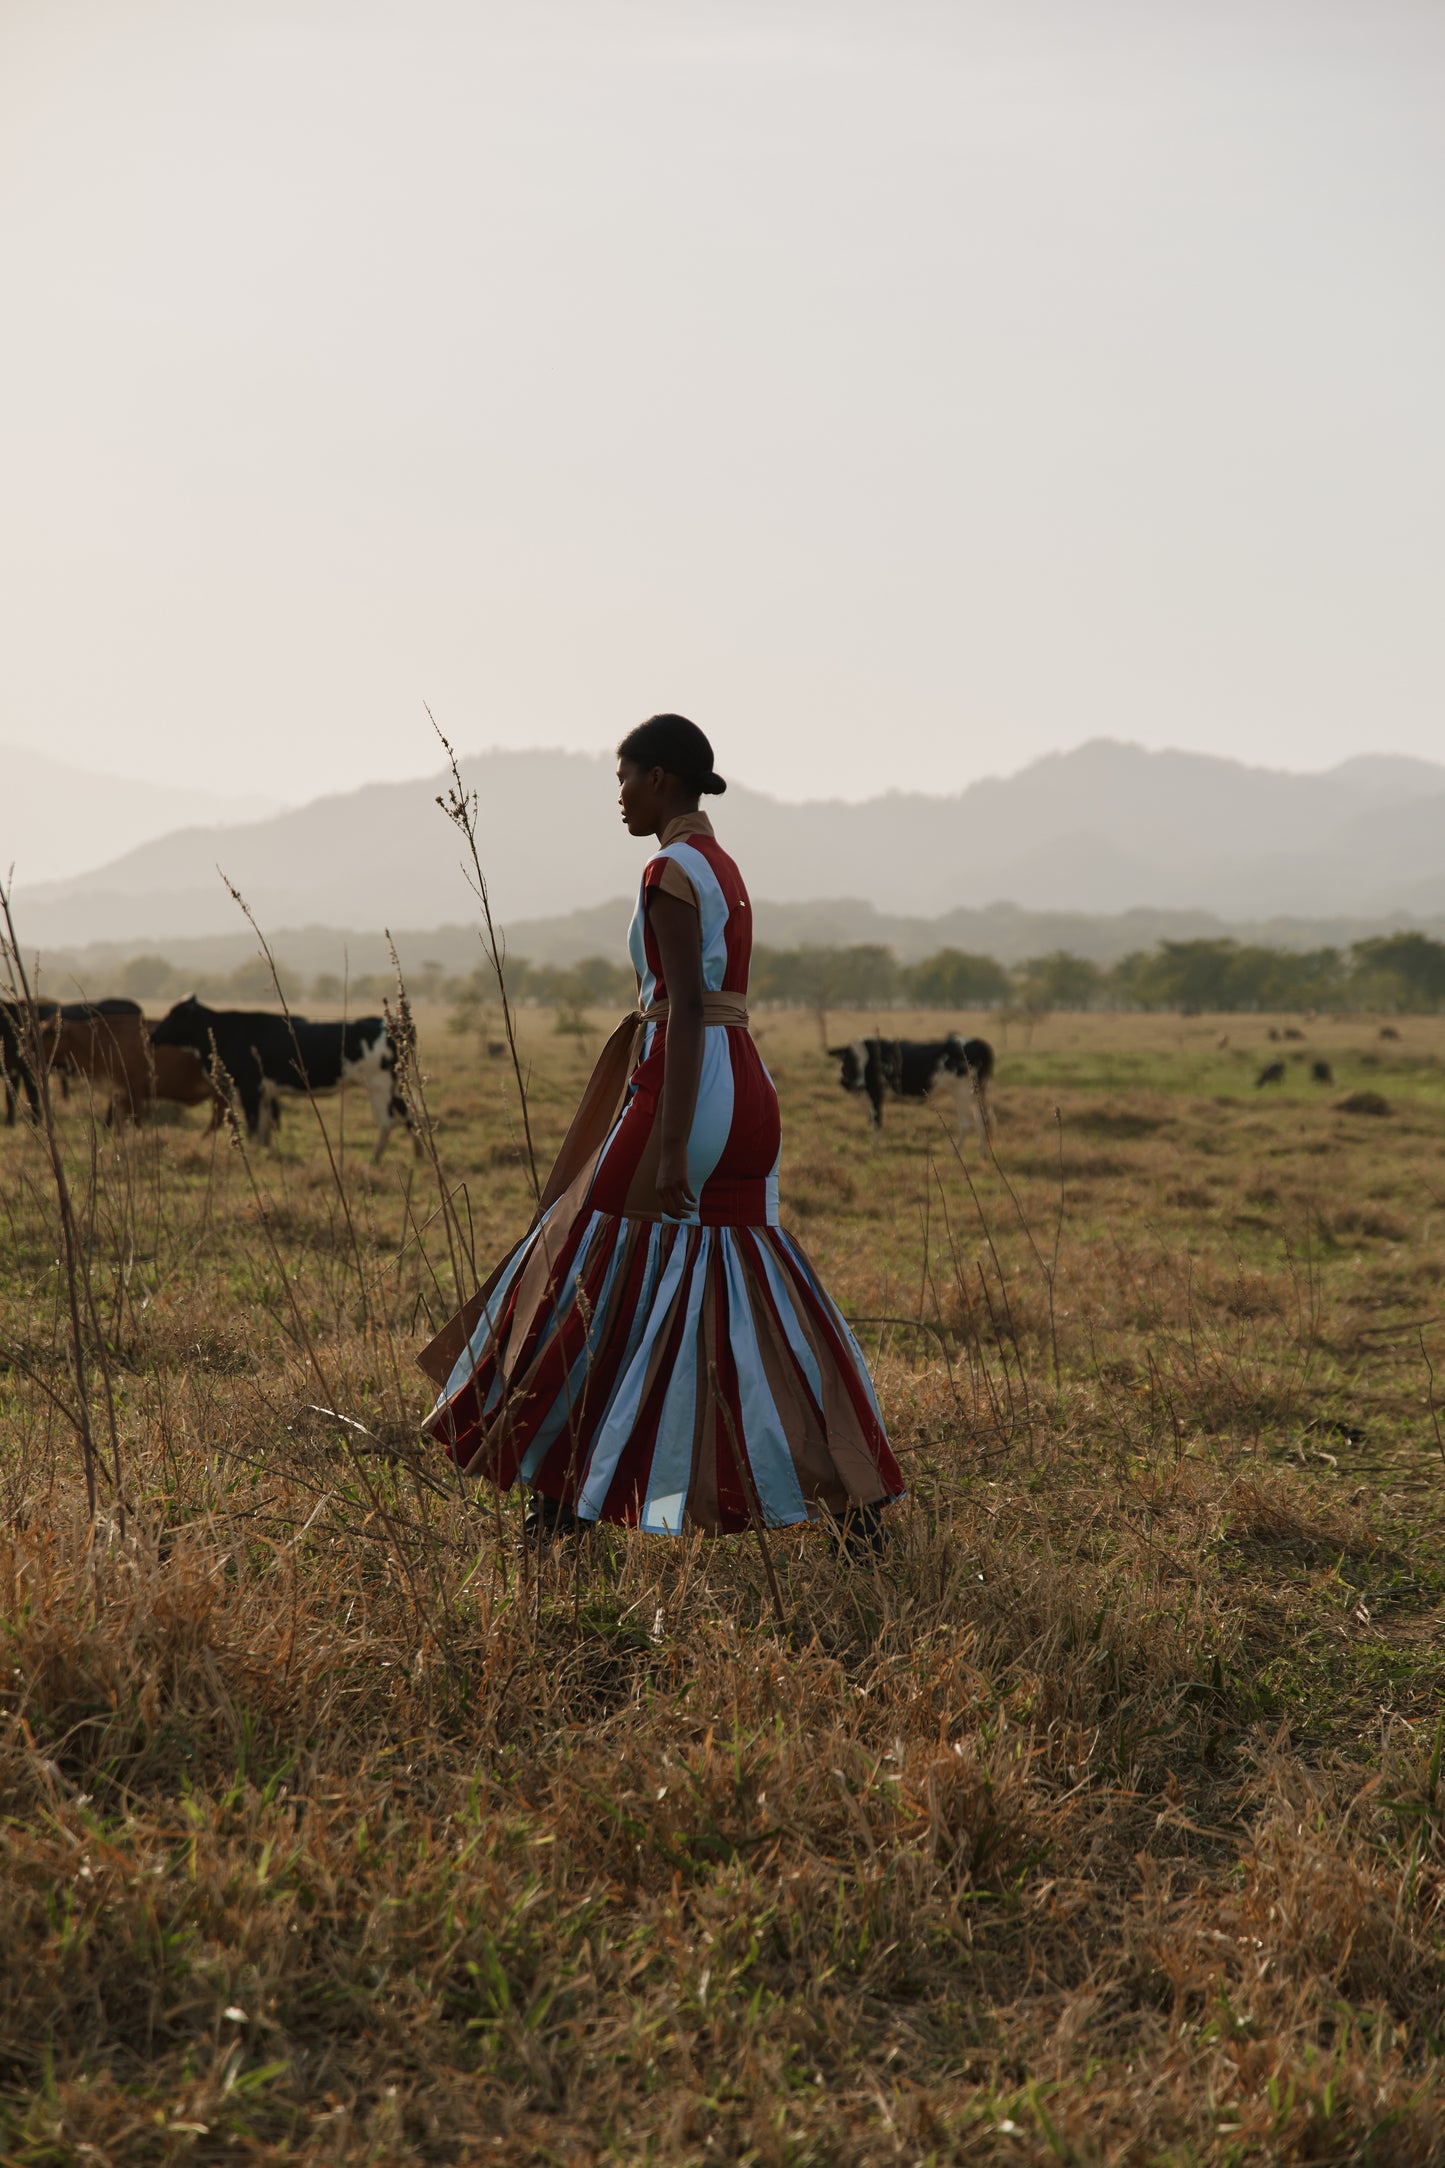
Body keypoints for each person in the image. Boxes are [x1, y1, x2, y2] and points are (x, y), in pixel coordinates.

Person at [419, 713, 903, 1543]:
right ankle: (857, 1503)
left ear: (661, 779)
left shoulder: (667, 870)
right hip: (745, 1088)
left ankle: (558, 1506)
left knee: (591, 1273)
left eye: (624, 778)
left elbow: (681, 1009)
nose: (617, 795)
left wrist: (672, 1143)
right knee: (757, 1290)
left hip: (685, 1091)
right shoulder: (722, 867)